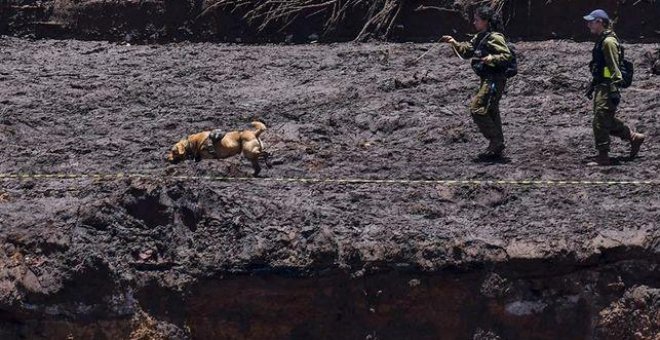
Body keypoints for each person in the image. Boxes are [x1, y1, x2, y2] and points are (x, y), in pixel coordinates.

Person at [440, 6, 512, 160]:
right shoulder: (481, 37)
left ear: (485, 21)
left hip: (494, 80)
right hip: (487, 79)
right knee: (491, 110)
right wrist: (453, 42)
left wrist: (492, 59)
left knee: (477, 108)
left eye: (477, 20)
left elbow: (506, 56)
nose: (474, 23)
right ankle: (496, 146)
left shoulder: (495, 37)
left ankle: (495, 141)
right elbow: (467, 51)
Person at [584, 9, 645, 166]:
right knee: (605, 119)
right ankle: (633, 137)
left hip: (607, 86)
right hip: (601, 85)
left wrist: (613, 89)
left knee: (599, 120)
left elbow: (614, 67)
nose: (588, 24)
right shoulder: (602, 39)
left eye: (591, 21)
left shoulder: (608, 42)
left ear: (600, 22)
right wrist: (594, 83)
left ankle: (603, 157)